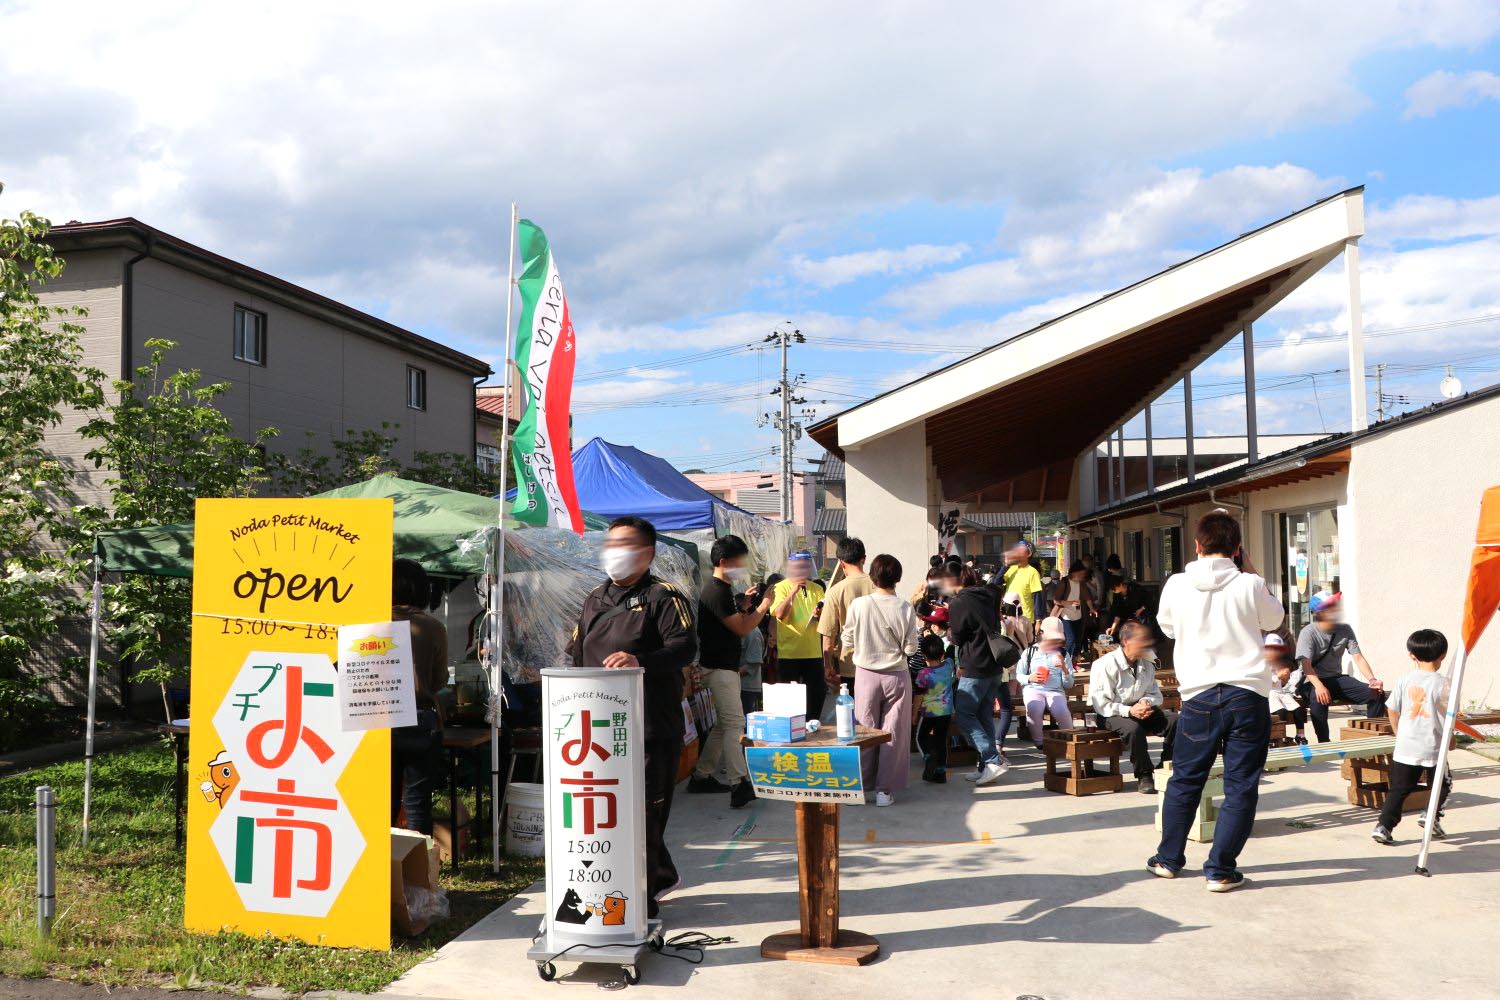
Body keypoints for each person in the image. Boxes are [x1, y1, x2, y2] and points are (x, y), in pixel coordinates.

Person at [1148, 511, 1285, 891]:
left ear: (1196, 545)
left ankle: (1169, 859)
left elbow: (1168, 627)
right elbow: (1275, 620)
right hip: (1247, 693)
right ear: (1237, 549)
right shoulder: (1250, 583)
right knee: (1241, 784)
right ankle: (1220, 869)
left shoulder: (1176, 584)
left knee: (1186, 779)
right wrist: (1251, 572)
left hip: (1199, 694)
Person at [568, 516, 697, 917]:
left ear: (647, 552)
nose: (613, 551)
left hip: (648, 726)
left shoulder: (664, 597)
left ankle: (640, 892)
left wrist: (638, 660)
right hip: (596, 729)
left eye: (623, 544)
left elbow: (683, 648)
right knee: (612, 812)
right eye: (610, 543)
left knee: (645, 809)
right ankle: (655, 874)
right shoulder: (595, 597)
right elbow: (575, 652)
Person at [689, 534, 773, 808]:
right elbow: (742, 628)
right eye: (739, 562)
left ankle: (702, 775)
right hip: (721, 668)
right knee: (735, 723)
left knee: (724, 724)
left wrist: (745, 607)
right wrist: (762, 607)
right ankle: (739, 783)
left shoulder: (721, 592)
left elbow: (732, 622)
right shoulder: (716, 591)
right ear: (724, 562)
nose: (742, 568)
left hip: (722, 666)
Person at [841, 553, 920, 806]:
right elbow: (910, 649)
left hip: (865, 675)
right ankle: (884, 791)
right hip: (897, 675)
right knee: (893, 732)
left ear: (873, 577)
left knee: (864, 730)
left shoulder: (860, 605)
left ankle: (861, 786)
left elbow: (848, 639)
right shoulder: (906, 607)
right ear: (897, 578)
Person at [1372, 629, 1454, 844]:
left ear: (1411, 655)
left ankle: (1383, 826)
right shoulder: (1445, 684)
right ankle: (1430, 815)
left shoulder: (1404, 679)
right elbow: (1449, 716)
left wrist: (1399, 731)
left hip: (1406, 746)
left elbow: (1392, 709)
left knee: (1398, 790)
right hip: (1433, 745)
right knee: (1443, 785)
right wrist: (1451, 738)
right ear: (1443, 654)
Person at [391, 558, 449, 834]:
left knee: (381, 805)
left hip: (378, 722)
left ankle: (381, 869)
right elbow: (439, 681)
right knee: (416, 804)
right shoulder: (434, 627)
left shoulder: (369, 623)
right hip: (421, 722)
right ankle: (418, 872)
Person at [1090, 621, 1177, 793]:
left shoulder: (1147, 663)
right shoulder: (1105, 665)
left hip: (1142, 710)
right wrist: (1129, 710)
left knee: (1176, 721)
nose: (1147, 644)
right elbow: (1101, 704)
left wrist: (1145, 703)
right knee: (1133, 728)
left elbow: (1155, 694)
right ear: (1127, 641)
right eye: (1142, 640)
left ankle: (1165, 766)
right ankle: (1144, 774)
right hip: (1112, 713)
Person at [945, 565, 1009, 786]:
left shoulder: (959, 602)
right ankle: (985, 767)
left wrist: (949, 629)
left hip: (974, 665)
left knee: (964, 714)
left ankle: (992, 759)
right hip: (994, 666)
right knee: (983, 716)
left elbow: (957, 637)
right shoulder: (989, 594)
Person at [1295, 591, 1386, 743]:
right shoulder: (1308, 632)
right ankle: (1324, 743)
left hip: (1336, 678)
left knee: (1376, 693)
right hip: (1312, 680)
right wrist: (1319, 686)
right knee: (1318, 699)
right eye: (1331, 605)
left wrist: (1372, 679)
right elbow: (1306, 666)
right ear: (1320, 612)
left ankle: (1371, 739)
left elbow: (1358, 656)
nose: (1336, 608)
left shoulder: (1345, 629)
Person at [771, 551, 827, 721]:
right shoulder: (781, 587)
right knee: (790, 704)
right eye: (798, 566)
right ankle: (792, 735)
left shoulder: (816, 588)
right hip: (789, 654)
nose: (802, 570)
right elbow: (780, 614)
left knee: (816, 697)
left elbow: (825, 617)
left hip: (813, 653)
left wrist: (819, 614)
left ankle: (813, 729)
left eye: (806, 566)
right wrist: (792, 593)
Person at [818, 536, 875, 702]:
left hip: (850, 665)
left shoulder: (836, 591)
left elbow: (828, 634)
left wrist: (827, 665)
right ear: (864, 559)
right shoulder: (878, 585)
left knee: (853, 716)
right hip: (879, 662)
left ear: (840, 562)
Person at [1016, 617, 1075, 749]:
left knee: (1062, 712)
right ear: (1042, 634)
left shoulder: (1064, 654)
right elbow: (1019, 675)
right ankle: (1040, 743)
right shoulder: (1030, 652)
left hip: (1055, 690)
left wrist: (1064, 669)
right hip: (1033, 689)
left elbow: (1069, 684)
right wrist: (1030, 678)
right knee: (1034, 709)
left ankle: (1071, 741)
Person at [913, 633, 956, 783]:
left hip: (929, 713)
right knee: (941, 740)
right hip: (946, 712)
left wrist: (914, 714)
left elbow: (918, 696)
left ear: (924, 655)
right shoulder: (949, 665)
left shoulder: (923, 674)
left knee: (921, 737)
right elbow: (951, 652)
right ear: (942, 653)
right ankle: (940, 773)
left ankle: (929, 757)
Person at [1264, 634, 1307, 744]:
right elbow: (1263, 683)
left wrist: (1285, 677)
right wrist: (1278, 677)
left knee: (1298, 709)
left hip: (1281, 692)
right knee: (1280, 711)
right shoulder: (1262, 664)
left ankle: (1300, 735)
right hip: (1268, 694)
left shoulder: (1279, 663)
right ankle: (1278, 737)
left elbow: (1283, 683)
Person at [1050, 560, 1095, 660]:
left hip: (1078, 615)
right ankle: (1066, 662)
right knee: (1070, 640)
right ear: (1075, 572)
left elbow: (1087, 596)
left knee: (1078, 640)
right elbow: (1056, 600)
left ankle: (1073, 662)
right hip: (1066, 615)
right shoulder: (1064, 582)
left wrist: (1091, 608)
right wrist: (1070, 603)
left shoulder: (1081, 583)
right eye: (1081, 573)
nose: (1083, 576)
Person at [1001, 540, 1045, 622]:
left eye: (1020, 550)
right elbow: (996, 582)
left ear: (1029, 554)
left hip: (1026, 618)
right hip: (1009, 616)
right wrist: (1006, 565)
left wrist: (1038, 619)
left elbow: (1037, 597)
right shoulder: (1011, 569)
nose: (1017, 552)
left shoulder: (1033, 572)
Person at [1103, 573, 1149, 637]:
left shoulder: (1135, 588)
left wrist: (1141, 609)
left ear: (1121, 584)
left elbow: (1148, 600)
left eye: (1114, 588)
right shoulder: (1117, 594)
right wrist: (1113, 627)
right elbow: (1118, 611)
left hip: (1141, 617)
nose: (1113, 591)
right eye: (1112, 589)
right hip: (1128, 617)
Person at [740, 607, 767, 716]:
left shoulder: (753, 633)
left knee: (745, 722)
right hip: (740, 685)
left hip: (747, 687)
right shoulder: (742, 630)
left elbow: (753, 664)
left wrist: (732, 674)